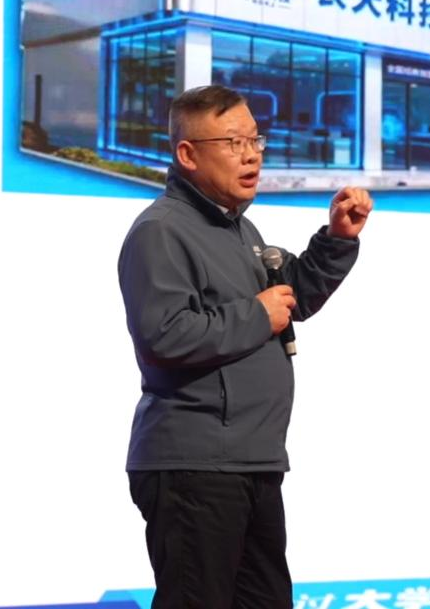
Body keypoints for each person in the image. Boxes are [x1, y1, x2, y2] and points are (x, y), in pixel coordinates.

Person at [117, 85, 373, 608]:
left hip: (251, 460)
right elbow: (165, 335)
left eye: (256, 139)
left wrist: (337, 238)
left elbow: (290, 298)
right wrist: (256, 314)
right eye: (234, 142)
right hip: (195, 464)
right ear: (188, 154)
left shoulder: (240, 228)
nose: (252, 154)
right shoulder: (161, 231)